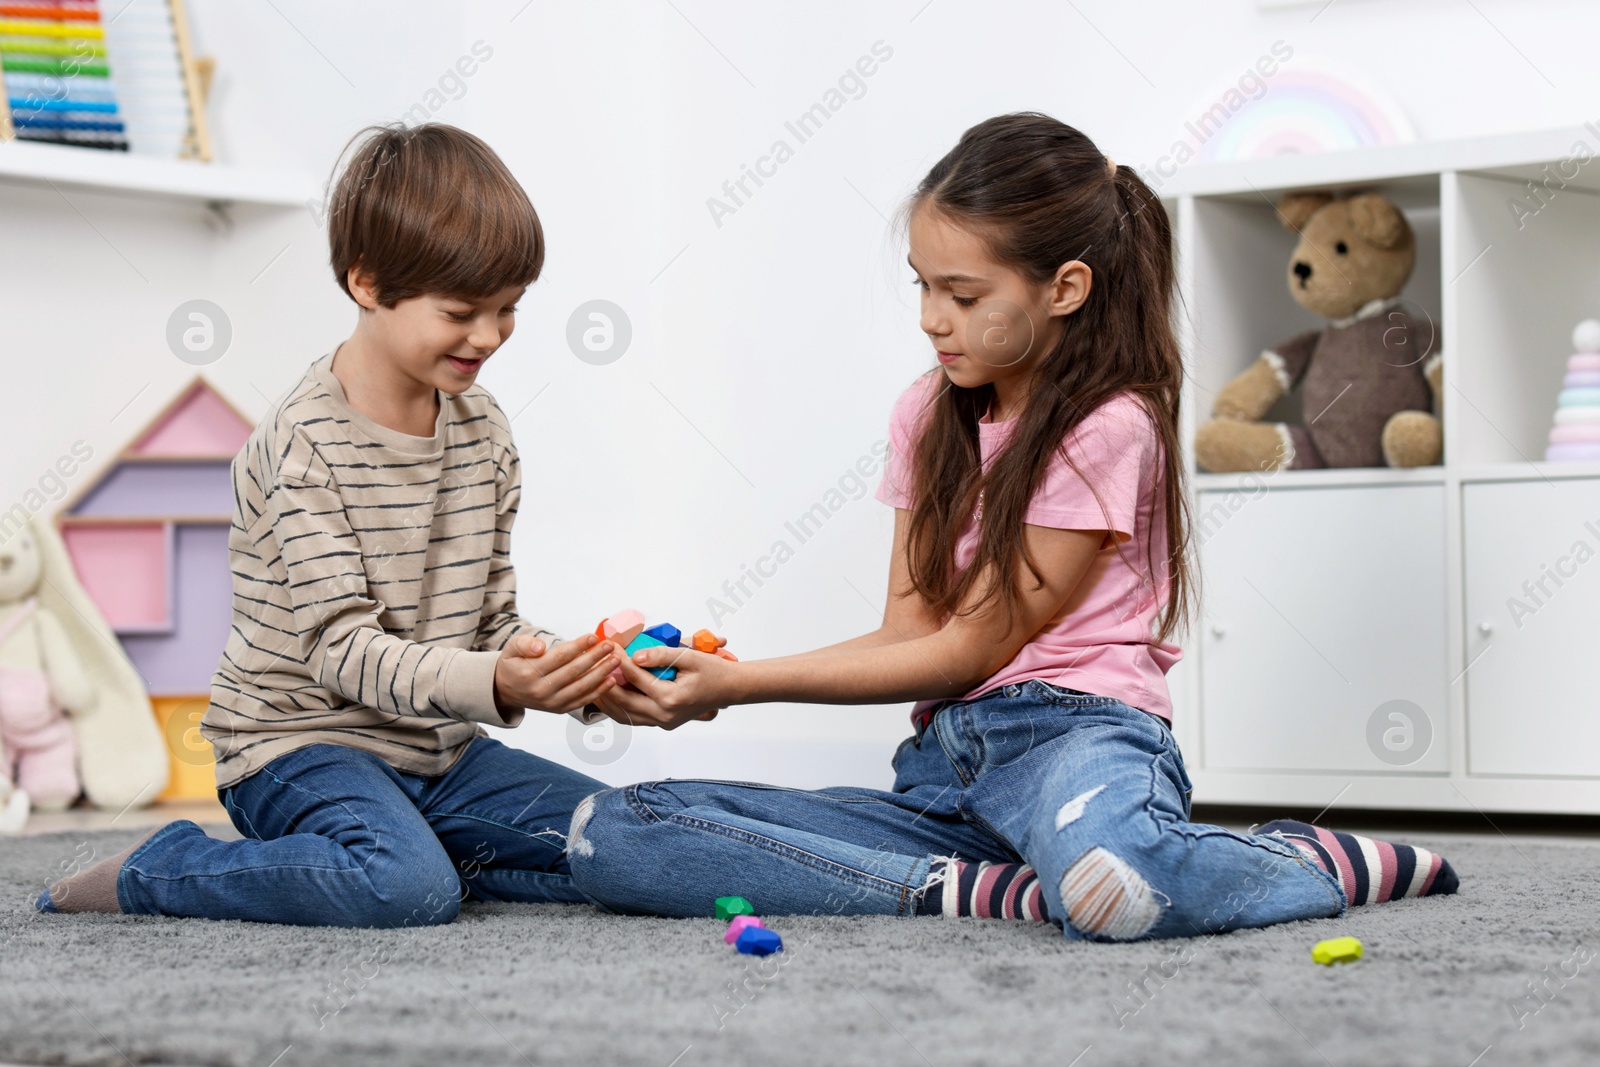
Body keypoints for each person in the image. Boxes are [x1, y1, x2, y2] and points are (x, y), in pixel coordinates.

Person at [571, 113, 1459, 940]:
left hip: (1078, 741)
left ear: (1066, 287)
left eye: (961, 292)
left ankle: (1301, 857)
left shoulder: (1109, 426)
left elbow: (971, 645)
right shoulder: (927, 412)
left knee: (1117, 879)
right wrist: (721, 679)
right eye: (923, 286)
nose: (930, 317)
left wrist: (737, 682)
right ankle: (974, 884)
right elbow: (909, 631)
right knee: (617, 831)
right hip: (945, 775)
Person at [37, 123, 625, 926]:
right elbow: (342, 652)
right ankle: (164, 866)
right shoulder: (302, 446)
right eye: (461, 311)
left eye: (509, 309)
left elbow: (489, 622)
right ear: (367, 283)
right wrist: (494, 682)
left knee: (619, 840)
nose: (489, 336)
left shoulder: (483, 429)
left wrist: (580, 670)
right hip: (295, 747)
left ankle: (428, 845)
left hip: (435, 749)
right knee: (402, 886)